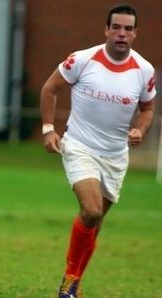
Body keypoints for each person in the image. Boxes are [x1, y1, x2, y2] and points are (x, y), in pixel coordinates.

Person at [40, 4, 156, 298]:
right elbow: (50, 89)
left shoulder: (144, 70)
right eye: (116, 27)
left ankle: (75, 282)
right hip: (80, 145)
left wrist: (140, 130)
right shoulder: (82, 59)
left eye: (128, 29)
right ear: (106, 29)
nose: (121, 34)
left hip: (116, 155)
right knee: (90, 211)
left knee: (96, 223)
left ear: (135, 33)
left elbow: (148, 108)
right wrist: (48, 128)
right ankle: (68, 281)